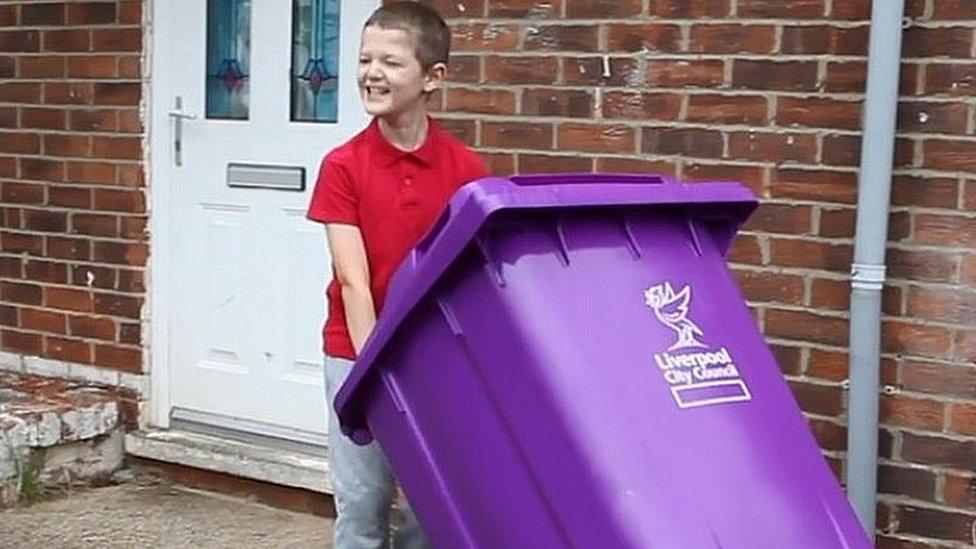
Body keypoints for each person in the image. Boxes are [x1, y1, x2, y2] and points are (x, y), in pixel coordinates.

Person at [306, 3, 487, 547]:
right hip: (356, 354)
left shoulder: (466, 172)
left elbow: (468, 279)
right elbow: (355, 283)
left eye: (390, 61)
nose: (371, 73)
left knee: (428, 509)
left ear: (433, 77)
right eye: (364, 59)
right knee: (362, 504)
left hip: (432, 360)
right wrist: (371, 377)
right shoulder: (342, 166)